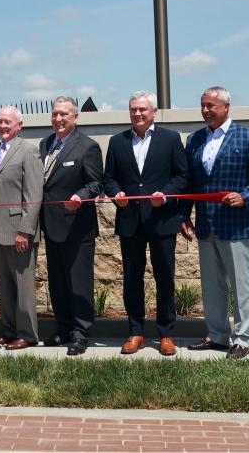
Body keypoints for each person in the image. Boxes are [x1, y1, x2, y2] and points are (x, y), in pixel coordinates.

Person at [180, 86, 249, 360]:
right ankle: (218, 335)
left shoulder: (247, 137)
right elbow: (192, 183)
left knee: (241, 284)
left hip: (238, 226)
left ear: (226, 107)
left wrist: (245, 196)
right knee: (212, 285)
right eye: (203, 105)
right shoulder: (195, 140)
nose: (205, 110)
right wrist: (184, 215)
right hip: (207, 225)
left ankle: (243, 339)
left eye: (211, 105)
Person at [103, 91, 188, 356]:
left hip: (162, 220)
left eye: (142, 109)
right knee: (132, 278)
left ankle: (166, 334)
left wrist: (165, 195)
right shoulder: (117, 142)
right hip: (130, 221)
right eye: (133, 110)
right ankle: (136, 332)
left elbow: (182, 177)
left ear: (153, 111)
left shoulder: (171, 139)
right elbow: (109, 178)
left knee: (165, 278)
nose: (137, 114)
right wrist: (116, 194)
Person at [39, 96, 104, 356]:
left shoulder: (88, 146)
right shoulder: (45, 144)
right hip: (51, 226)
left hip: (77, 226)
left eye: (64, 114)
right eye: (55, 114)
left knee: (79, 282)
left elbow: (95, 183)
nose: (58, 119)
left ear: (75, 117)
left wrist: (81, 196)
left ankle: (80, 333)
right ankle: (64, 328)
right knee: (57, 283)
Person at [0, 106, 44, 350]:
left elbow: (33, 194)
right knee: (4, 285)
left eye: (8, 122)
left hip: (19, 231)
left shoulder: (28, 151)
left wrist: (25, 230)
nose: (3, 126)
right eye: (0, 121)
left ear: (20, 125)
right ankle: (9, 330)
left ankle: (27, 334)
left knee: (23, 286)